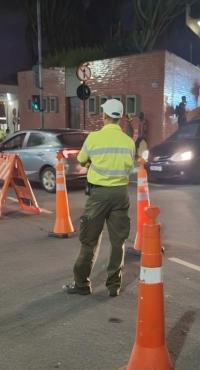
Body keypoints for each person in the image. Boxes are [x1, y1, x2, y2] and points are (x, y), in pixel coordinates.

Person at [65, 99, 135, 297]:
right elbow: (129, 167)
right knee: (118, 241)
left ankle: (81, 284)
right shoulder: (128, 141)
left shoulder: (94, 138)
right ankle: (114, 285)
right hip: (121, 193)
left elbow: (80, 160)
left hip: (99, 195)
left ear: (104, 116)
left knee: (90, 240)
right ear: (119, 118)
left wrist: (92, 164)